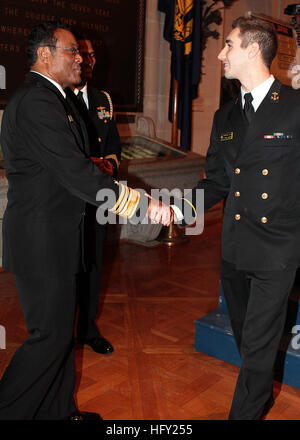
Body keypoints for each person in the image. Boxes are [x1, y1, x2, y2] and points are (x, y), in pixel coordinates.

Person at [0, 21, 173, 420]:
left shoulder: (56, 100)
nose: (81, 58)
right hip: (41, 242)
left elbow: (77, 168)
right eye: (72, 51)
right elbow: (76, 173)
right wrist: (139, 203)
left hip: (57, 238)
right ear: (45, 55)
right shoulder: (38, 102)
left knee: (60, 337)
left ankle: (61, 413)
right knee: (49, 338)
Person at [175, 16, 300, 419]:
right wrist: (179, 206)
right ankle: (260, 391)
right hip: (235, 248)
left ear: (252, 49)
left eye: (228, 45)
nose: (221, 53)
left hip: (278, 247)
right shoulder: (224, 117)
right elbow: (215, 181)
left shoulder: (295, 105)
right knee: (249, 338)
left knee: (261, 342)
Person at [66, 35, 120, 355]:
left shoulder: (103, 100)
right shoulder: (58, 98)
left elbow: (112, 145)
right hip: (69, 198)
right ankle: (63, 329)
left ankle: (87, 328)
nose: (86, 60)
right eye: (80, 53)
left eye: (91, 54)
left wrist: (108, 166)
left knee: (95, 262)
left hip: (98, 198)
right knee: (67, 264)